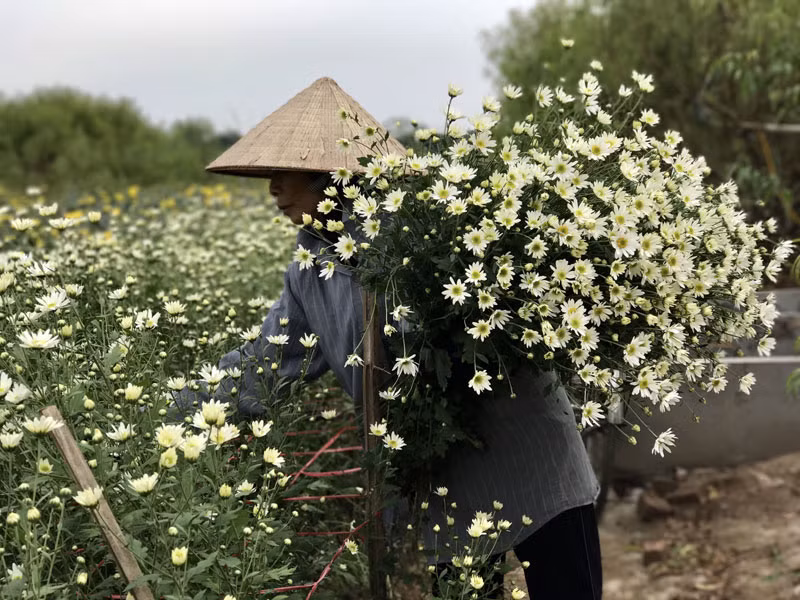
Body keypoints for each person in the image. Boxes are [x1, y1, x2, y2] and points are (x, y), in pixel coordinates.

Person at [187, 77, 603, 599]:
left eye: (283, 174)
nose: (273, 189)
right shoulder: (309, 265)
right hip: (447, 482)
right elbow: (267, 361)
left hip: (529, 452)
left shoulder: (422, 235)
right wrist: (179, 412)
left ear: (331, 178)